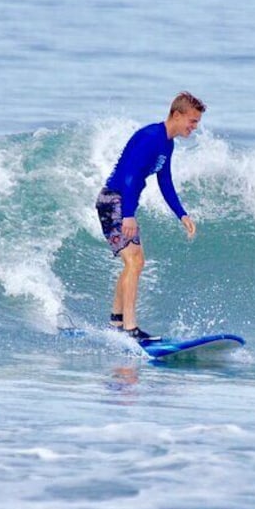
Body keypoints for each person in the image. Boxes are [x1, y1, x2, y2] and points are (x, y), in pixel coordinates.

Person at [95, 92, 204, 342]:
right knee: (135, 262)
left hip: (122, 202)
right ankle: (130, 328)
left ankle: (117, 321)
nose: (195, 127)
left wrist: (181, 214)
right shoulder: (150, 137)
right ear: (177, 114)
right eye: (193, 121)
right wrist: (128, 215)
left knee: (134, 262)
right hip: (114, 200)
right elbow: (131, 176)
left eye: (197, 122)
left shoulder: (167, 143)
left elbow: (164, 180)